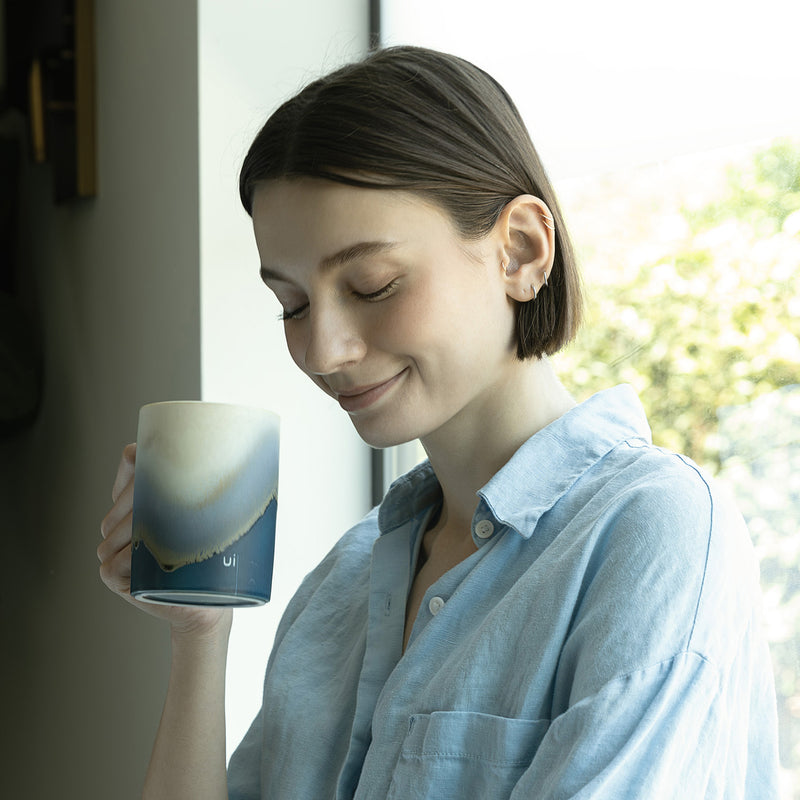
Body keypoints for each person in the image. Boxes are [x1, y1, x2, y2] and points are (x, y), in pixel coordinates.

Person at [98, 46, 781, 799]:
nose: (322, 349)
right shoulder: (345, 583)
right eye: (291, 304)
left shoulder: (654, 529)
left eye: (373, 284)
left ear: (520, 250)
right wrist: (200, 630)